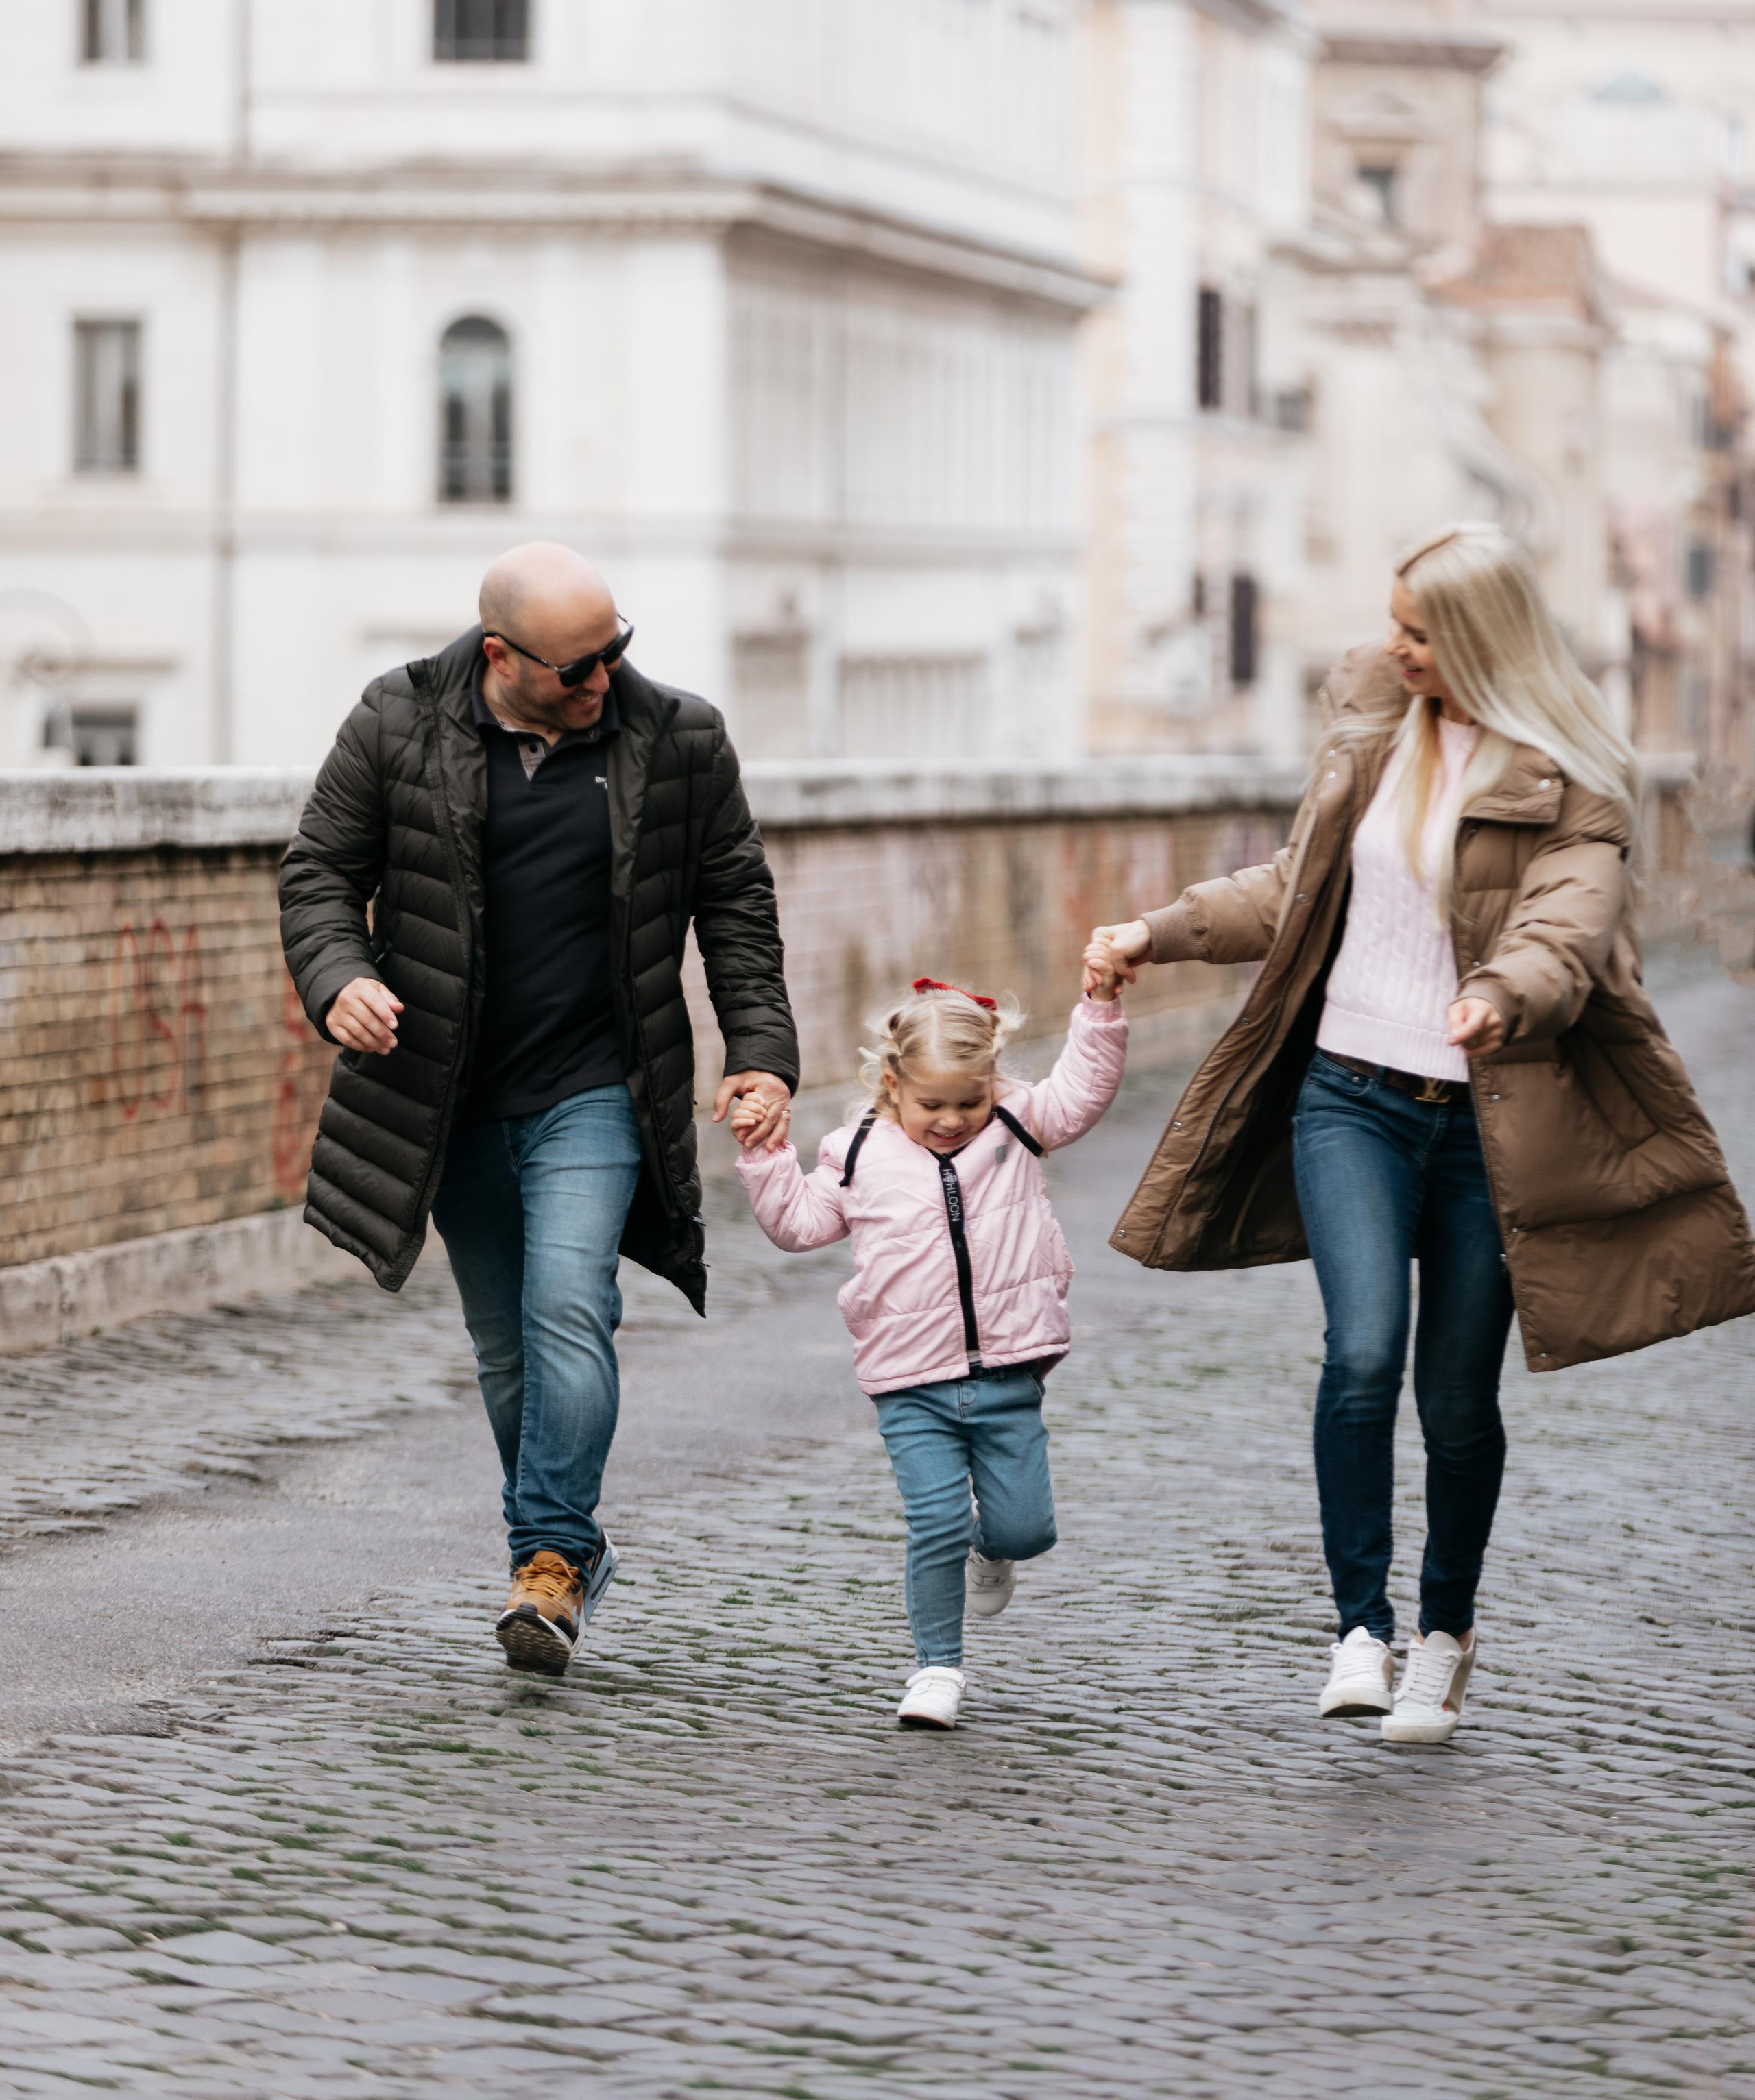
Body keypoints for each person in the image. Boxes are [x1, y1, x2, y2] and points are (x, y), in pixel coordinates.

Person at [1085, 523, 1755, 1745]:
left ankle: (1444, 1637)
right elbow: (1296, 887)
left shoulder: (1570, 778)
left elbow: (1567, 925)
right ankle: (1359, 1628)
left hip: (1490, 1127)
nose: (1392, 646)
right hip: (1349, 1096)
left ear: (1483, 643)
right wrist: (1157, 931)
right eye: (1393, 622)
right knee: (1359, 1356)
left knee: (1454, 1399)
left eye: (1418, 630)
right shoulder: (1373, 731)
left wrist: (1501, 997)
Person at [280, 543, 799, 1677]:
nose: (605, 681)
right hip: (446, 1096)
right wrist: (340, 982)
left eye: (618, 653)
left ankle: (550, 1565)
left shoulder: (679, 740)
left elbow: (737, 907)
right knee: (507, 1350)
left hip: (598, 1091)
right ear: (501, 656)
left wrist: (762, 1056)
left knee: (573, 1308)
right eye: (578, 669)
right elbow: (319, 870)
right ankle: (563, 1546)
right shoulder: (396, 719)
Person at [732, 971, 1128, 1730]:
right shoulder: (856, 1152)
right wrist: (766, 1159)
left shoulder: (1015, 1123)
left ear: (993, 1086)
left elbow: (1084, 1088)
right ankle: (935, 1667)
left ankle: (994, 1549)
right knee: (935, 1521)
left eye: (968, 1102)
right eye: (932, 1105)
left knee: (1025, 1529)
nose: (952, 1122)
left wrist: (1100, 1008)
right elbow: (799, 1226)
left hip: (1011, 1368)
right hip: (908, 1379)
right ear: (892, 1085)